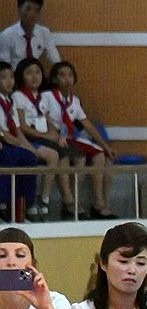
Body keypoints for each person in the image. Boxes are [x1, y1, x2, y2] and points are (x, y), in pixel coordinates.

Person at [44, 60, 116, 219]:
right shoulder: (47, 96)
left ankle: (98, 203)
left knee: (100, 155)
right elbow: (42, 117)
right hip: (55, 138)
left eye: (70, 75)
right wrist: (54, 133)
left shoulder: (74, 100)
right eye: (62, 75)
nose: (67, 79)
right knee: (78, 157)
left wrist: (105, 146)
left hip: (69, 138)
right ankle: (71, 203)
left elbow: (87, 125)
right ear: (55, 79)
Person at [11, 56, 68, 220]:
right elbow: (21, 125)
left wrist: (55, 134)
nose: (34, 76)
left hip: (43, 138)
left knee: (69, 153)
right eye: (29, 73)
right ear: (21, 75)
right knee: (53, 155)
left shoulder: (44, 97)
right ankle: (40, 198)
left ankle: (55, 199)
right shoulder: (18, 97)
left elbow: (49, 120)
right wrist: (44, 136)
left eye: (37, 72)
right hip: (30, 139)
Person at [0, 60, 38, 220]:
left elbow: (16, 130)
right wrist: (15, 142)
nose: (9, 81)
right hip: (3, 145)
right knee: (11, 158)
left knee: (30, 157)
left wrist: (30, 148)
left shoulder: (10, 102)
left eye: (11, 77)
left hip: (9, 144)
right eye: (3, 77)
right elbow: (3, 132)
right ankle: (2, 204)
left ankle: (23, 205)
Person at [0, 1, 59, 71]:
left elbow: (55, 58)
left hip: (35, 77)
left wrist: (60, 70)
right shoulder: (6, 35)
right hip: (15, 77)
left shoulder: (44, 32)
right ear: (19, 10)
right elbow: (3, 67)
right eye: (28, 9)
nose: (32, 14)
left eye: (37, 10)